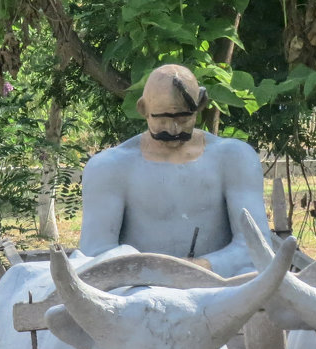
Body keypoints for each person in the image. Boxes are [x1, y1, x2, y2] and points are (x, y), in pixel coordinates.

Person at [76, 63, 273, 277]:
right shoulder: (109, 168)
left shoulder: (235, 159)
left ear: (201, 104)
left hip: (222, 292)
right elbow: (96, 258)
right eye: (162, 119)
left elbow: (256, 249)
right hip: (137, 296)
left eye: (183, 118)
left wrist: (199, 268)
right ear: (143, 109)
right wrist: (162, 275)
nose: (173, 129)